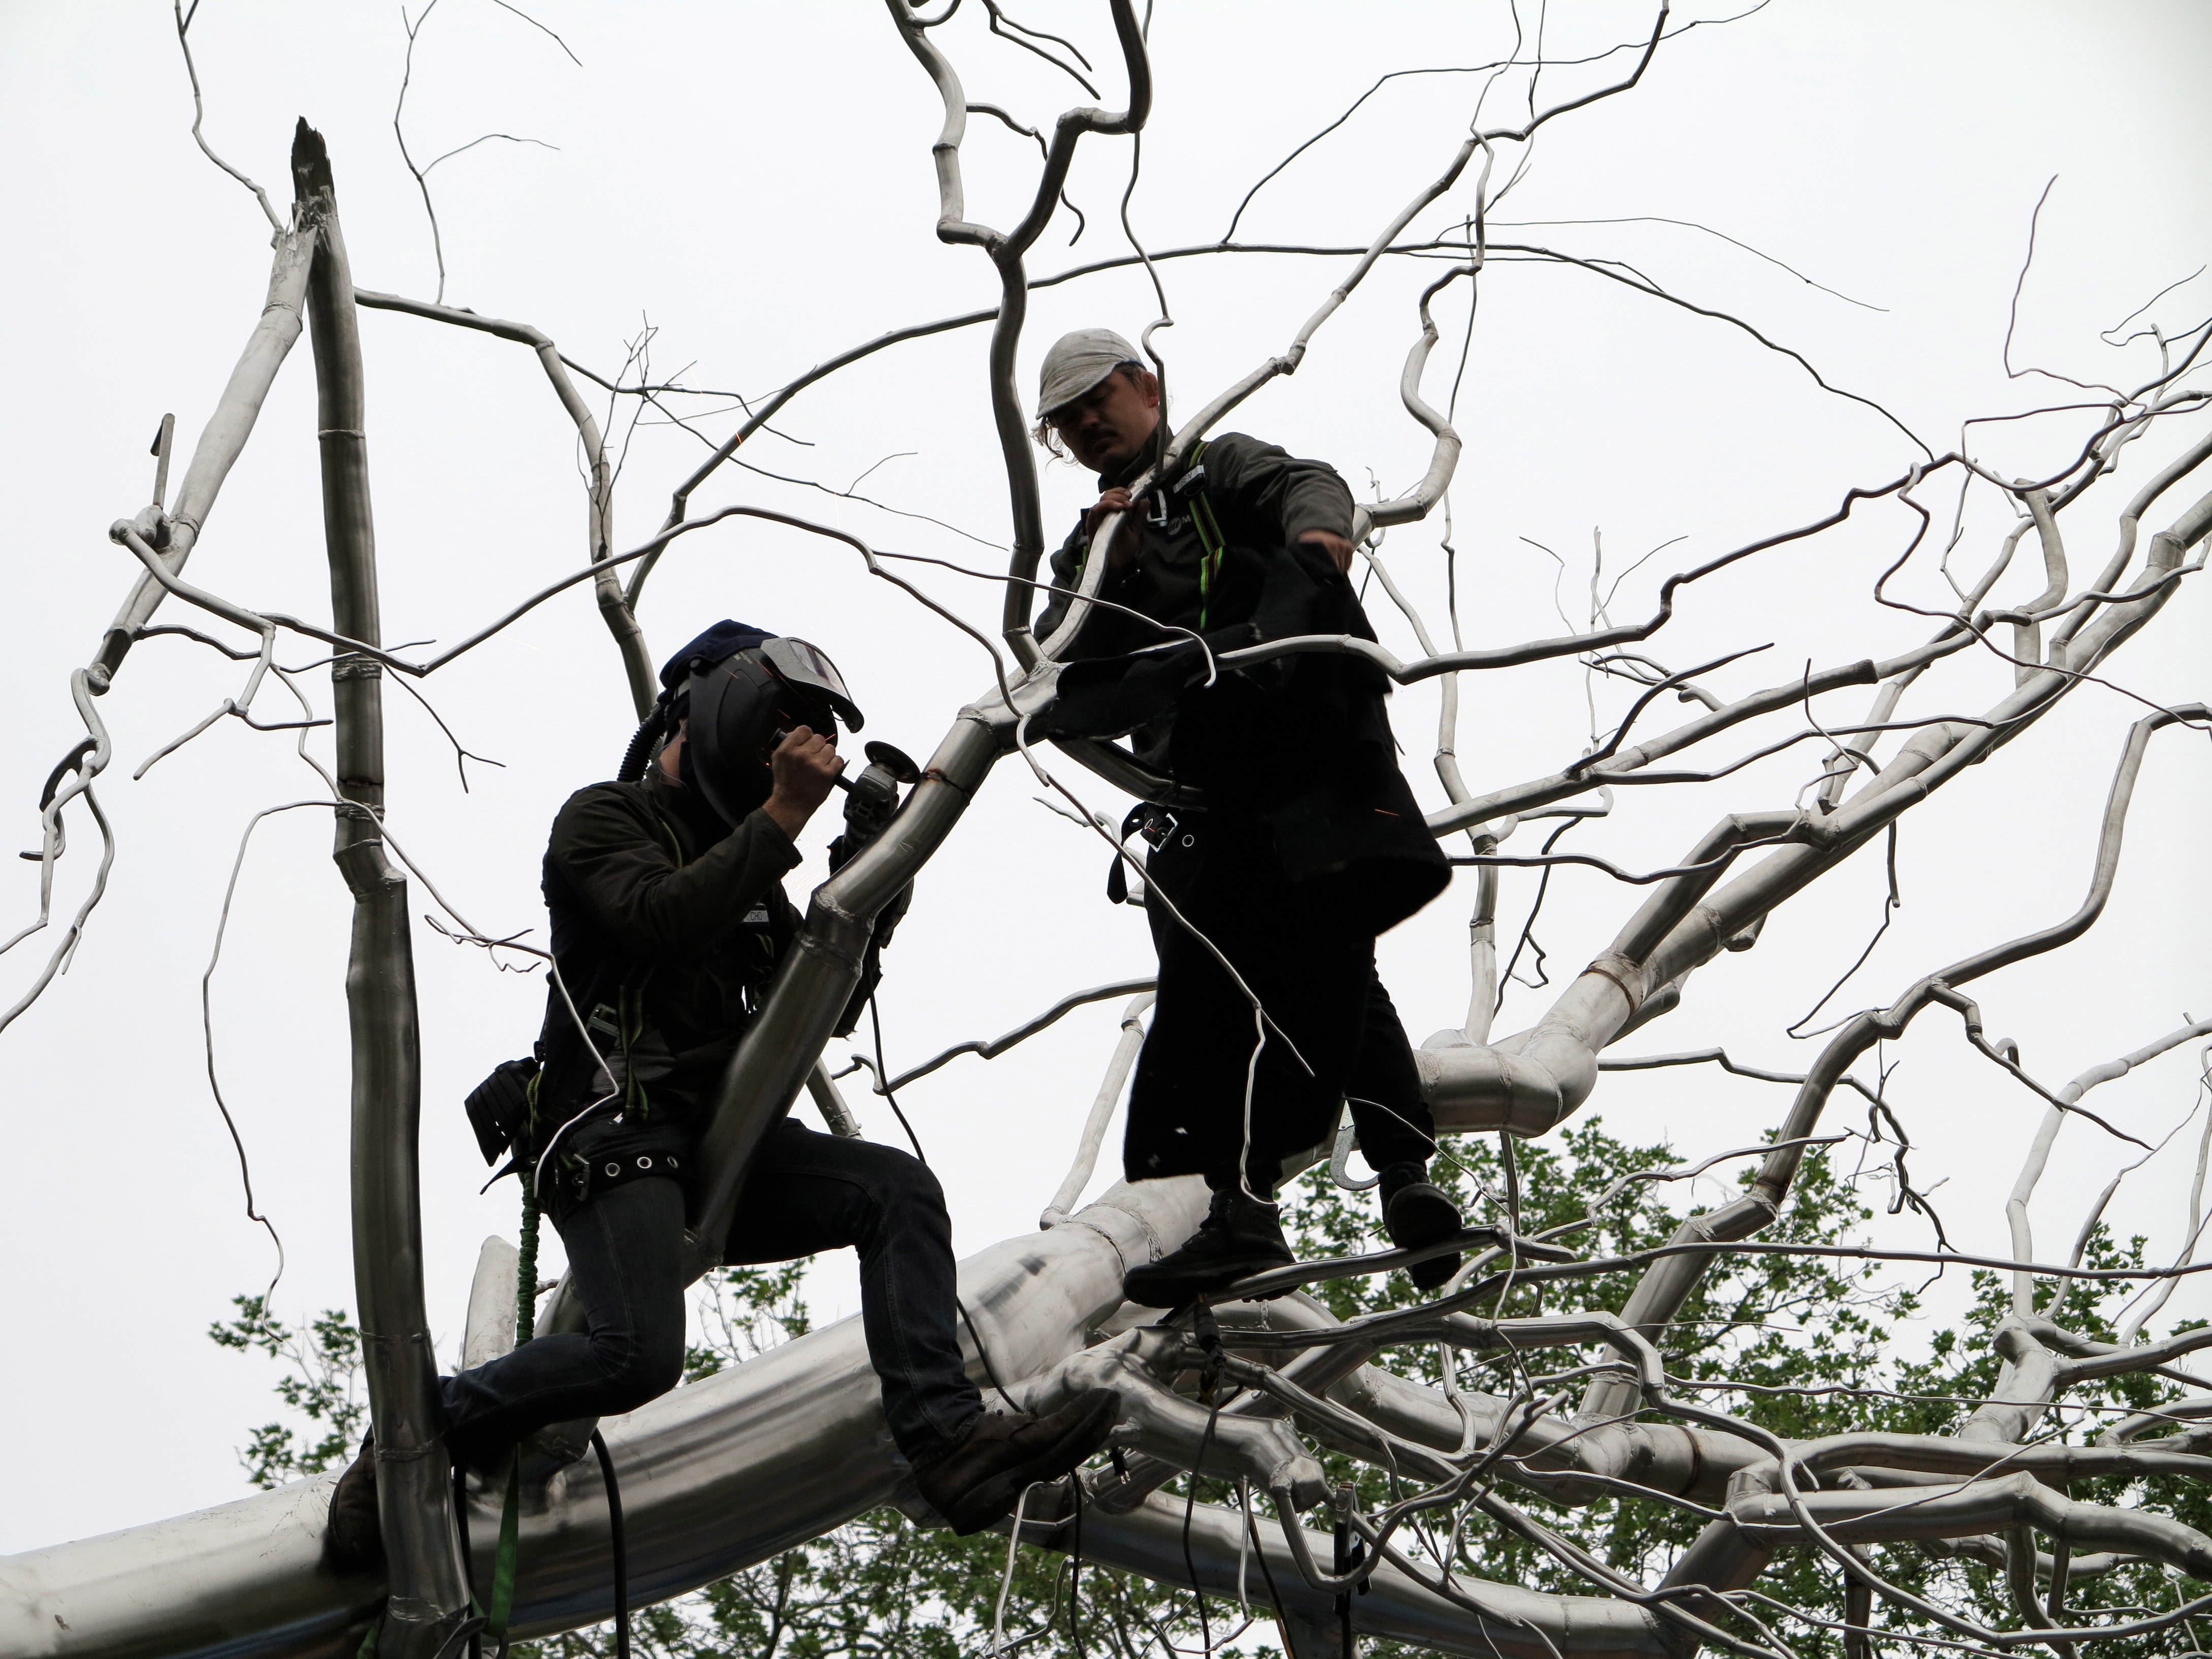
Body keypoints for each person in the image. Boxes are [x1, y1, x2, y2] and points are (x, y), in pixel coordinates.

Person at [328, 622, 1114, 1567]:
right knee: (637, 1355)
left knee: (895, 1190)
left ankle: (947, 1446)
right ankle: (413, 1430)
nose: (795, 752)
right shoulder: (604, 819)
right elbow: (657, 920)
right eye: (783, 724)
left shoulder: (752, 869)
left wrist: (868, 881)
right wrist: (781, 819)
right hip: (609, 1129)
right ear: (716, 707)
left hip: (711, 1142)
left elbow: (810, 1014)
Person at [1030, 330, 1461, 1309]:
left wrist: (1320, 537)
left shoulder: (1218, 464)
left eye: (1100, 399)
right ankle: (1326, 1194)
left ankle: (1369, 1181)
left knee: (1317, 957)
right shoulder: (1094, 541)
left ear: (1146, 385)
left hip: (1299, 744)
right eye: (1067, 420)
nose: (1089, 424)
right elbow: (1066, 658)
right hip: (1208, 792)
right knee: (1243, 985)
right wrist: (1117, 558)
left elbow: (1307, 480)